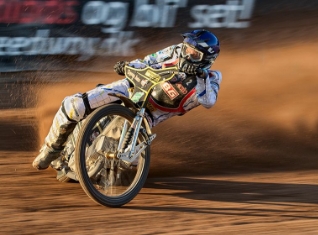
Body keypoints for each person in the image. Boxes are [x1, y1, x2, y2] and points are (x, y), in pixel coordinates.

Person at [32, 29, 222, 170]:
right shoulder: (176, 51)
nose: (186, 53)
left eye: (193, 54)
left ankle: (88, 167)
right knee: (73, 105)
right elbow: (148, 61)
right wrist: (127, 66)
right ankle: (51, 149)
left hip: (147, 116)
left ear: (207, 59)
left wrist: (200, 75)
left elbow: (208, 101)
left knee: (128, 162)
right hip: (131, 87)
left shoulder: (211, 79)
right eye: (187, 48)